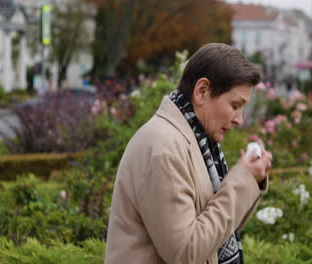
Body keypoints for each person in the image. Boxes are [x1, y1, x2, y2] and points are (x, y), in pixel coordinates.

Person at [105, 43, 273, 264]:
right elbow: (186, 252)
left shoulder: (196, 140)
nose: (239, 120)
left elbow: (218, 232)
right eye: (235, 105)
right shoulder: (165, 148)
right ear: (202, 91)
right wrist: (243, 180)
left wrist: (250, 179)